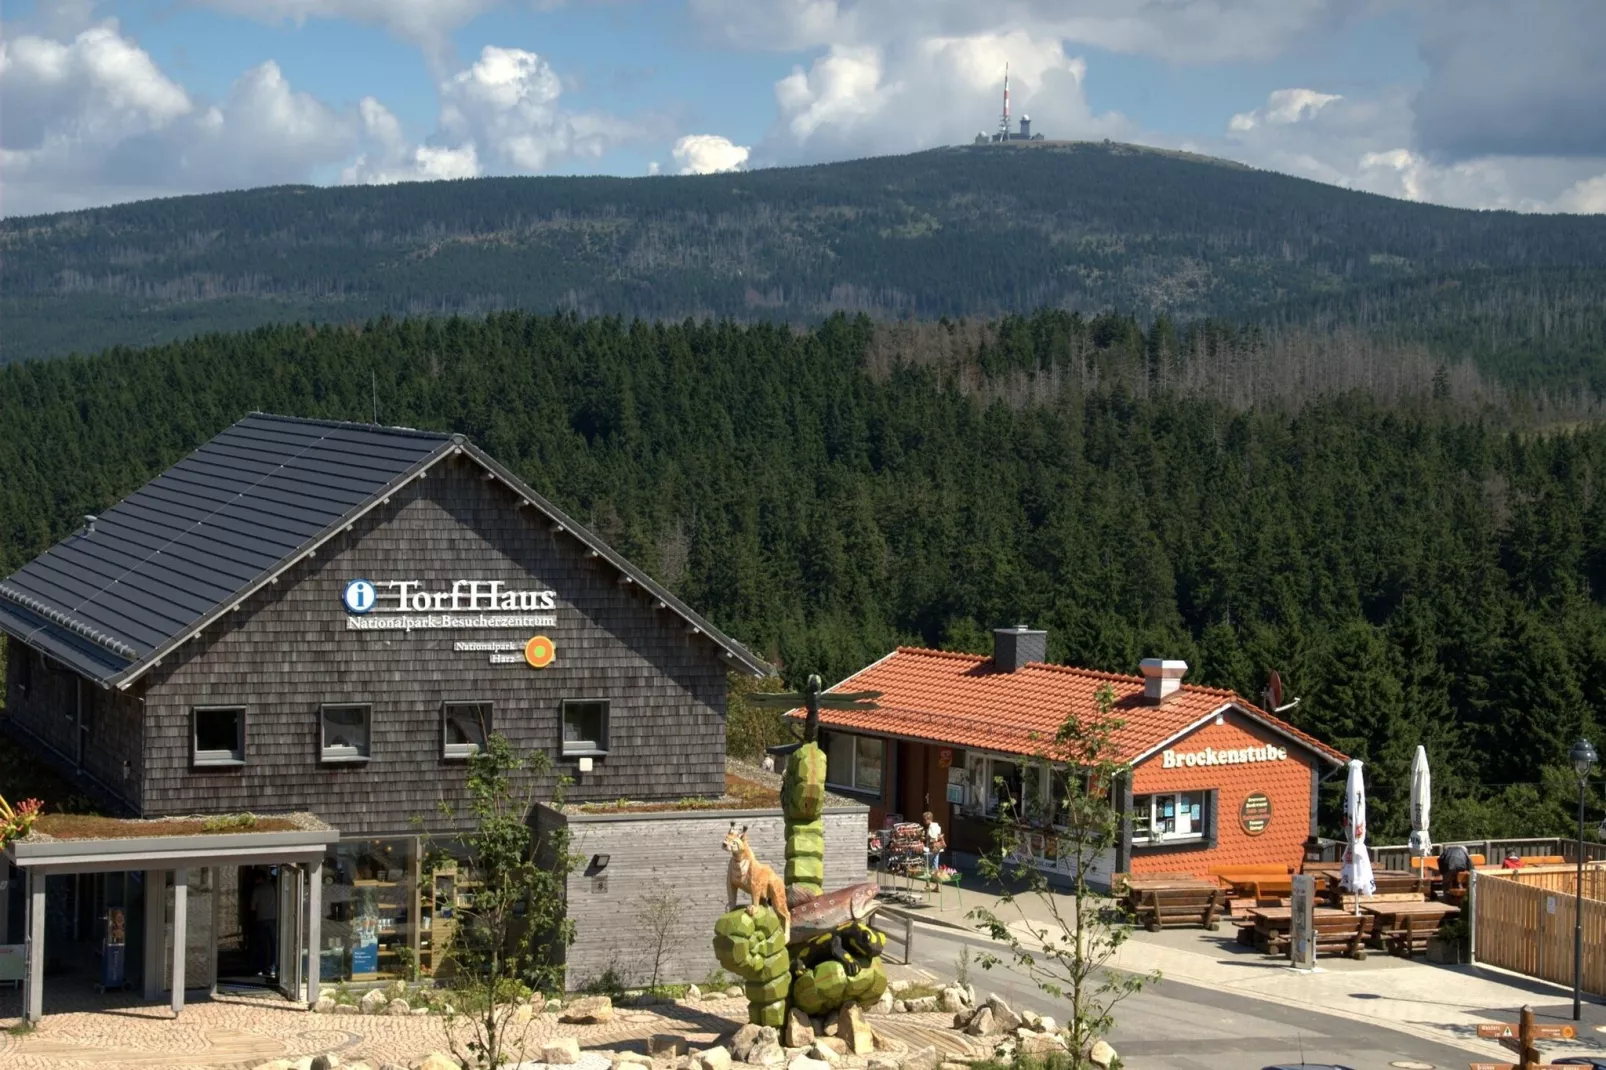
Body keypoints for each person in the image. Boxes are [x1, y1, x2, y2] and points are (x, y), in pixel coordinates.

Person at [249, 869, 279, 980]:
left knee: (261, 945)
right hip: (273, 919)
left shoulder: (257, 890)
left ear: (260, 878)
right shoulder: (273, 888)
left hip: (261, 919)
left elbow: (253, 907)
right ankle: (272, 968)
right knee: (273, 945)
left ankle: (260, 968)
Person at [921, 810, 946, 880]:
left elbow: (933, 838)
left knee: (927, 866)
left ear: (929, 819)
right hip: (937, 849)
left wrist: (926, 838)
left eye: (925, 819)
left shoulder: (932, 827)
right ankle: (937, 886)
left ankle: (928, 885)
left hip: (932, 849)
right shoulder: (936, 825)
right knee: (935, 867)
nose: (924, 821)